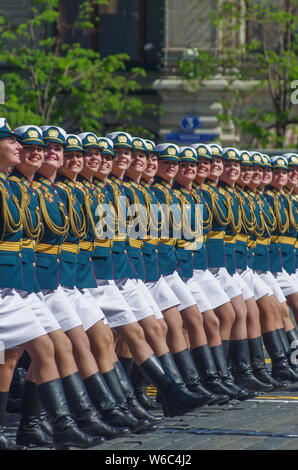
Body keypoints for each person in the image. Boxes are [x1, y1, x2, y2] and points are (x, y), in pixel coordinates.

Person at [0, 118, 102, 450]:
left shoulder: (14, 187)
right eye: (12, 142)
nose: (19, 147)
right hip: (7, 282)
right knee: (10, 357)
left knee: (44, 349)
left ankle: (53, 425)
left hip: (19, 282)